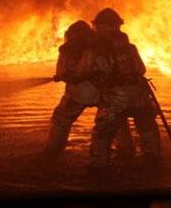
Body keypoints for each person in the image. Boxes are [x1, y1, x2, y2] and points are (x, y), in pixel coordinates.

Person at [79, 8, 161, 176]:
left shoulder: (96, 48)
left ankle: (99, 170)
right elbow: (141, 69)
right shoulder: (130, 47)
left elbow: (82, 71)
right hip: (140, 95)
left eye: (97, 26)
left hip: (116, 97)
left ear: (102, 26)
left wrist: (71, 74)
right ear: (118, 26)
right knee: (147, 130)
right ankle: (154, 164)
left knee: (103, 133)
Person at [47, 20, 134, 160]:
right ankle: (126, 151)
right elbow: (109, 69)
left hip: (77, 95)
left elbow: (63, 72)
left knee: (61, 119)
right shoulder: (100, 46)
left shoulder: (67, 49)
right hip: (103, 93)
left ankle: (53, 151)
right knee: (117, 120)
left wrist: (62, 76)